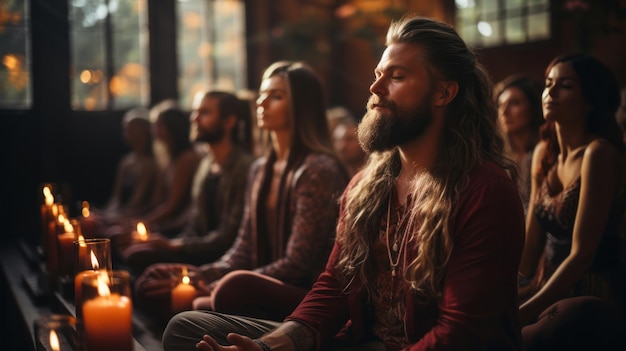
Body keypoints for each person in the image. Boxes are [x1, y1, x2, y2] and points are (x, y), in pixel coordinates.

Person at [162, 15, 525, 351]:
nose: (375, 87)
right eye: (378, 73)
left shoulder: (484, 191)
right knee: (185, 328)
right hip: (362, 342)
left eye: (396, 76)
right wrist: (269, 345)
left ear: (444, 93)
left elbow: (459, 334)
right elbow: (335, 285)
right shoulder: (366, 186)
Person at [134, 61, 350, 322]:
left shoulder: (317, 169)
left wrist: (218, 283)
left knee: (229, 290)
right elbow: (243, 248)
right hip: (258, 280)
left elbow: (297, 264)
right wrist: (200, 274)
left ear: (302, 107)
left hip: (304, 293)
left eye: (276, 96)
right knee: (154, 280)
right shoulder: (260, 169)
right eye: (262, 95)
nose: (262, 103)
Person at [517, 54, 626, 349]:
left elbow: (582, 255)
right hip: (547, 282)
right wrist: (508, 288)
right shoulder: (543, 152)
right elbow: (530, 247)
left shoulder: (598, 153)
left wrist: (523, 311)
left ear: (589, 99)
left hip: (589, 288)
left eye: (564, 86)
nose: (550, 93)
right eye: (548, 83)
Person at [118, 91, 256, 275]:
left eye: (204, 113)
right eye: (195, 112)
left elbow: (228, 236)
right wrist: (170, 241)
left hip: (224, 258)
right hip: (197, 250)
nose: (194, 118)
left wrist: (174, 245)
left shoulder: (245, 167)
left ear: (229, 121)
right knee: (134, 251)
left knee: (141, 261)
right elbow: (195, 224)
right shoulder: (206, 164)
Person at [91, 107, 160, 226]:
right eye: (126, 128)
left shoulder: (151, 164)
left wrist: (118, 217)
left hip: (137, 217)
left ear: (145, 131)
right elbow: (116, 198)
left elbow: (138, 201)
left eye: (132, 128)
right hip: (122, 214)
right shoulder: (126, 162)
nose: (127, 132)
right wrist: (108, 213)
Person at [494, 75, 543, 214]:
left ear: (533, 108)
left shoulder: (544, 153)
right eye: (500, 105)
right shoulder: (498, 157)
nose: (504, 112)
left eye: (514, 103)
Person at [327, 107, 368, 177]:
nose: (342, 146)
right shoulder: (331, 175)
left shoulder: (372, 174)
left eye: (350, 139)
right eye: (338, 140)